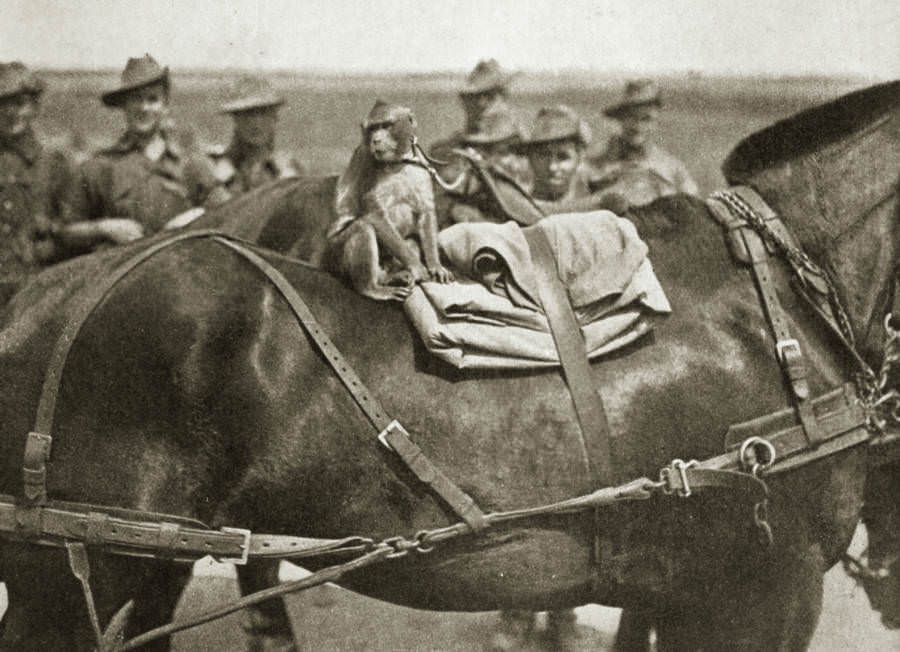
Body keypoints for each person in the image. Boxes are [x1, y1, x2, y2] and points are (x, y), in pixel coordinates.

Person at [58, 54, 229, 256]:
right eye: (136, 99)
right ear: (124, 105)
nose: (144, 107)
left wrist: (197, 216)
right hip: (119, 277)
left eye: (152, 99)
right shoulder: (100, 166)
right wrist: (104, 228)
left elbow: (230, 213)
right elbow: (65, 231)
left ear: (165, 106)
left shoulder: (191, 164)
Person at [0, 61, 75, 303]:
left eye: (21, 104)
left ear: (34, 107)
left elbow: (72, 230)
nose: (13, 113)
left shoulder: (53, 163)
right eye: (4, 105)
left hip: (35, 294)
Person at [585, 79, 698, 205]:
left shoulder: (673, 169)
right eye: (631, 117)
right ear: (621, 119)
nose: (637, 126)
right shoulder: (597, 165)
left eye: (646, 119)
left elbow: (693, 208)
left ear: (656, 123)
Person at [208, 75, 305, 195]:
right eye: (248, 114)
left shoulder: (288, 171)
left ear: (275, 118)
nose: (256, 123)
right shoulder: (217, 172)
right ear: (236, 119)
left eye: (263, 113)